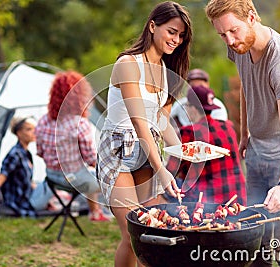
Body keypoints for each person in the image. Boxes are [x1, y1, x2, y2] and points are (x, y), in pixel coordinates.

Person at [205, 1, 280, 266]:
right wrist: (245, 133)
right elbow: (245, 84)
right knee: (256, 237)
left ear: (252, 17)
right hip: (257, 151)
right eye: (222, 34)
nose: (229, 40)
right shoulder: (240, 46)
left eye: (233, 31)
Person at [96, 1, 192, 266]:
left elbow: (159, 121)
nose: (177, 39)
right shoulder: (129, 64)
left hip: (147, 152)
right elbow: (139, 123)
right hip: (118, 152)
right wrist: (161, 167)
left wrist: (187, 152)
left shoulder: (168, 73)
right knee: (133, 233)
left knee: (153, 232)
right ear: (152, 26)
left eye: (181, 35)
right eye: (172, 31)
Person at [35, 70, 112, 222]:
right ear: (79, 96)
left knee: (86, 173)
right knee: (110, 178)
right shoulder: (80, 124)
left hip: (51, 177)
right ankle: (107, 212)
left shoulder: (44, 121)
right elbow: (91, 159)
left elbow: (40, 152)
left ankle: (94, 212)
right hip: (74, 180)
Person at [166, 85, 246, 205]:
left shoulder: (188, 133)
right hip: (237, 199)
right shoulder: (228, 127)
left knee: (167, 187)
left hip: (206, 204)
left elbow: (170, 172)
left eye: (187, 106)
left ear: (193, 108)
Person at [0, 115, 54, 217]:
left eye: (34, 129)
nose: (34, 132)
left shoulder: (26, 153)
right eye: (29, 129)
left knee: (44, 183)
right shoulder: (15, 154)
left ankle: (54, 199)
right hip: (22, 202)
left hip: (28, 195)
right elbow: (1, 179)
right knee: (53, 180)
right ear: (19, 133)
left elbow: (28, 181)